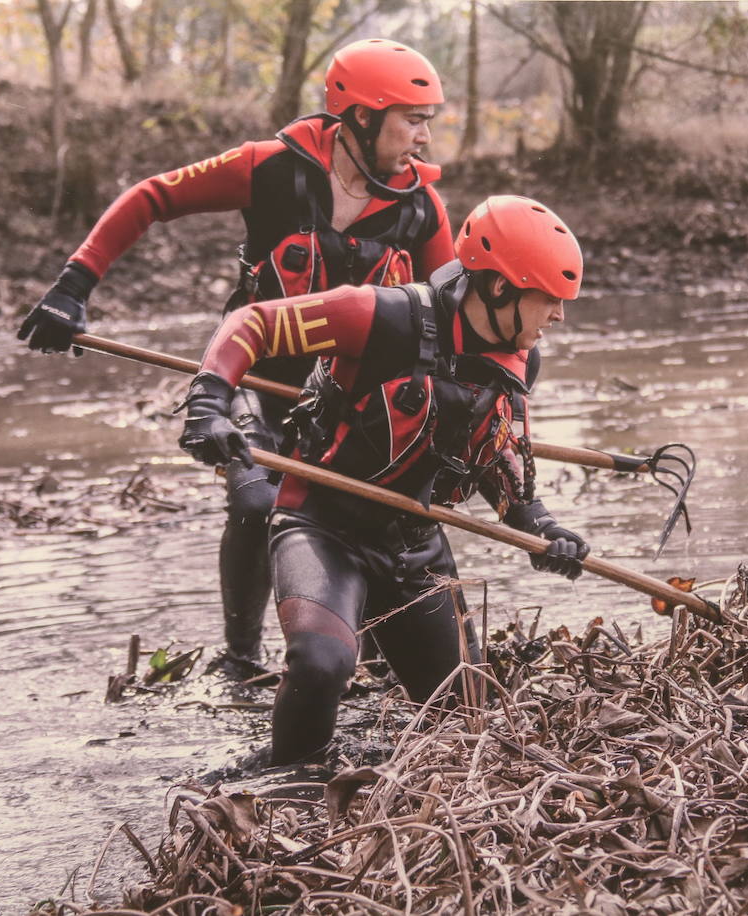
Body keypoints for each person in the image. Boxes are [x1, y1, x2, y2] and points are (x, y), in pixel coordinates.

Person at [16, 39, 456, 668]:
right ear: (361, 115)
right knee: (255, 501)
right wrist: (73, 287)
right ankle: (242, 657)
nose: (424, 138)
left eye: (428, 123)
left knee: (371, 517)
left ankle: (372, 649)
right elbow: (151, 197)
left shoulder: (421, 208)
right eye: (413, 120)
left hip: (354, 398)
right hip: (256, 374)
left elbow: (448, 324)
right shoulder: (269, 167)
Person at [177, 195, 592, 765]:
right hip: (322, 526)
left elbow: (498, 456)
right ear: (499, 288)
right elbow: (252, 323)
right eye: (550, 299)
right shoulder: (379, 314)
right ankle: (287, 783)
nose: (559, 316)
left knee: (470, 725)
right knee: (321, 666)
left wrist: (539, 525)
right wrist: (209, 402)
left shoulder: (522, 360)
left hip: (415, 547)